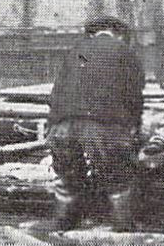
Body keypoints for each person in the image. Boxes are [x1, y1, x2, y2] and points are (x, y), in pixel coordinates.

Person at [46, 15, 147, 230]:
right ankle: (124, 239)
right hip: (103, 126)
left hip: (62, 127)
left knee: (67, 184)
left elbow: (55, 95)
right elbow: (134, 96)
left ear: (92, 33)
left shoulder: (74, 51)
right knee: (119, 183)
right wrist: (134, 129)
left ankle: (62, 232)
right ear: (119, 34)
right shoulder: (125, 52)